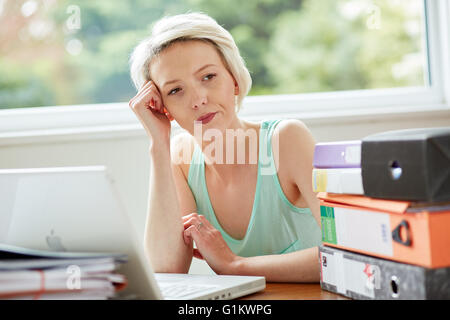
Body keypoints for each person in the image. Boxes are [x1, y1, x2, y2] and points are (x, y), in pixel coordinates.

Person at [128, 12, 322, 282]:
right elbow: (166, 270)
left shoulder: (287, 140)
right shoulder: (180, 159)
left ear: (234, 78)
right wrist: (158, 145)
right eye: (175, 91)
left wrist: (235, 265)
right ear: (163, 108)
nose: (198, 99)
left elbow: (348, 255)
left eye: (208, 76)